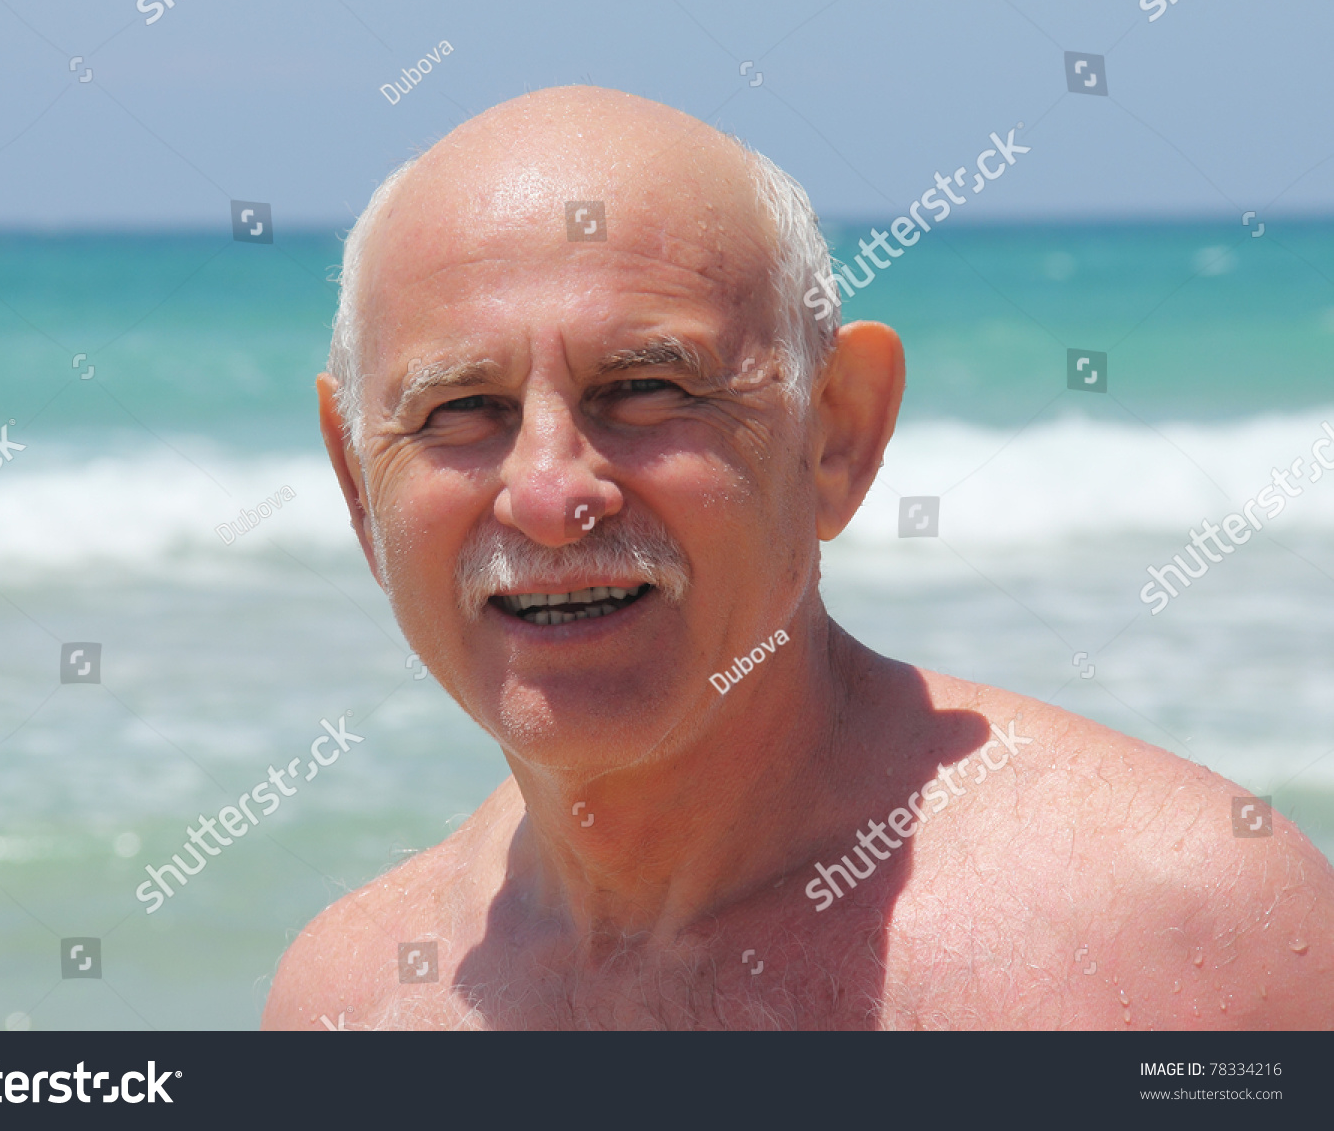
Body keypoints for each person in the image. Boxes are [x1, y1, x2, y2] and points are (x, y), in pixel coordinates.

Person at [263, 86, 1333, 1029]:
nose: (549, 494)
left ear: (837, 435)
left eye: (645, 388)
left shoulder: (1189, 931)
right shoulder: (352, 1001)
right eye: (462, 409)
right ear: (359, 483)